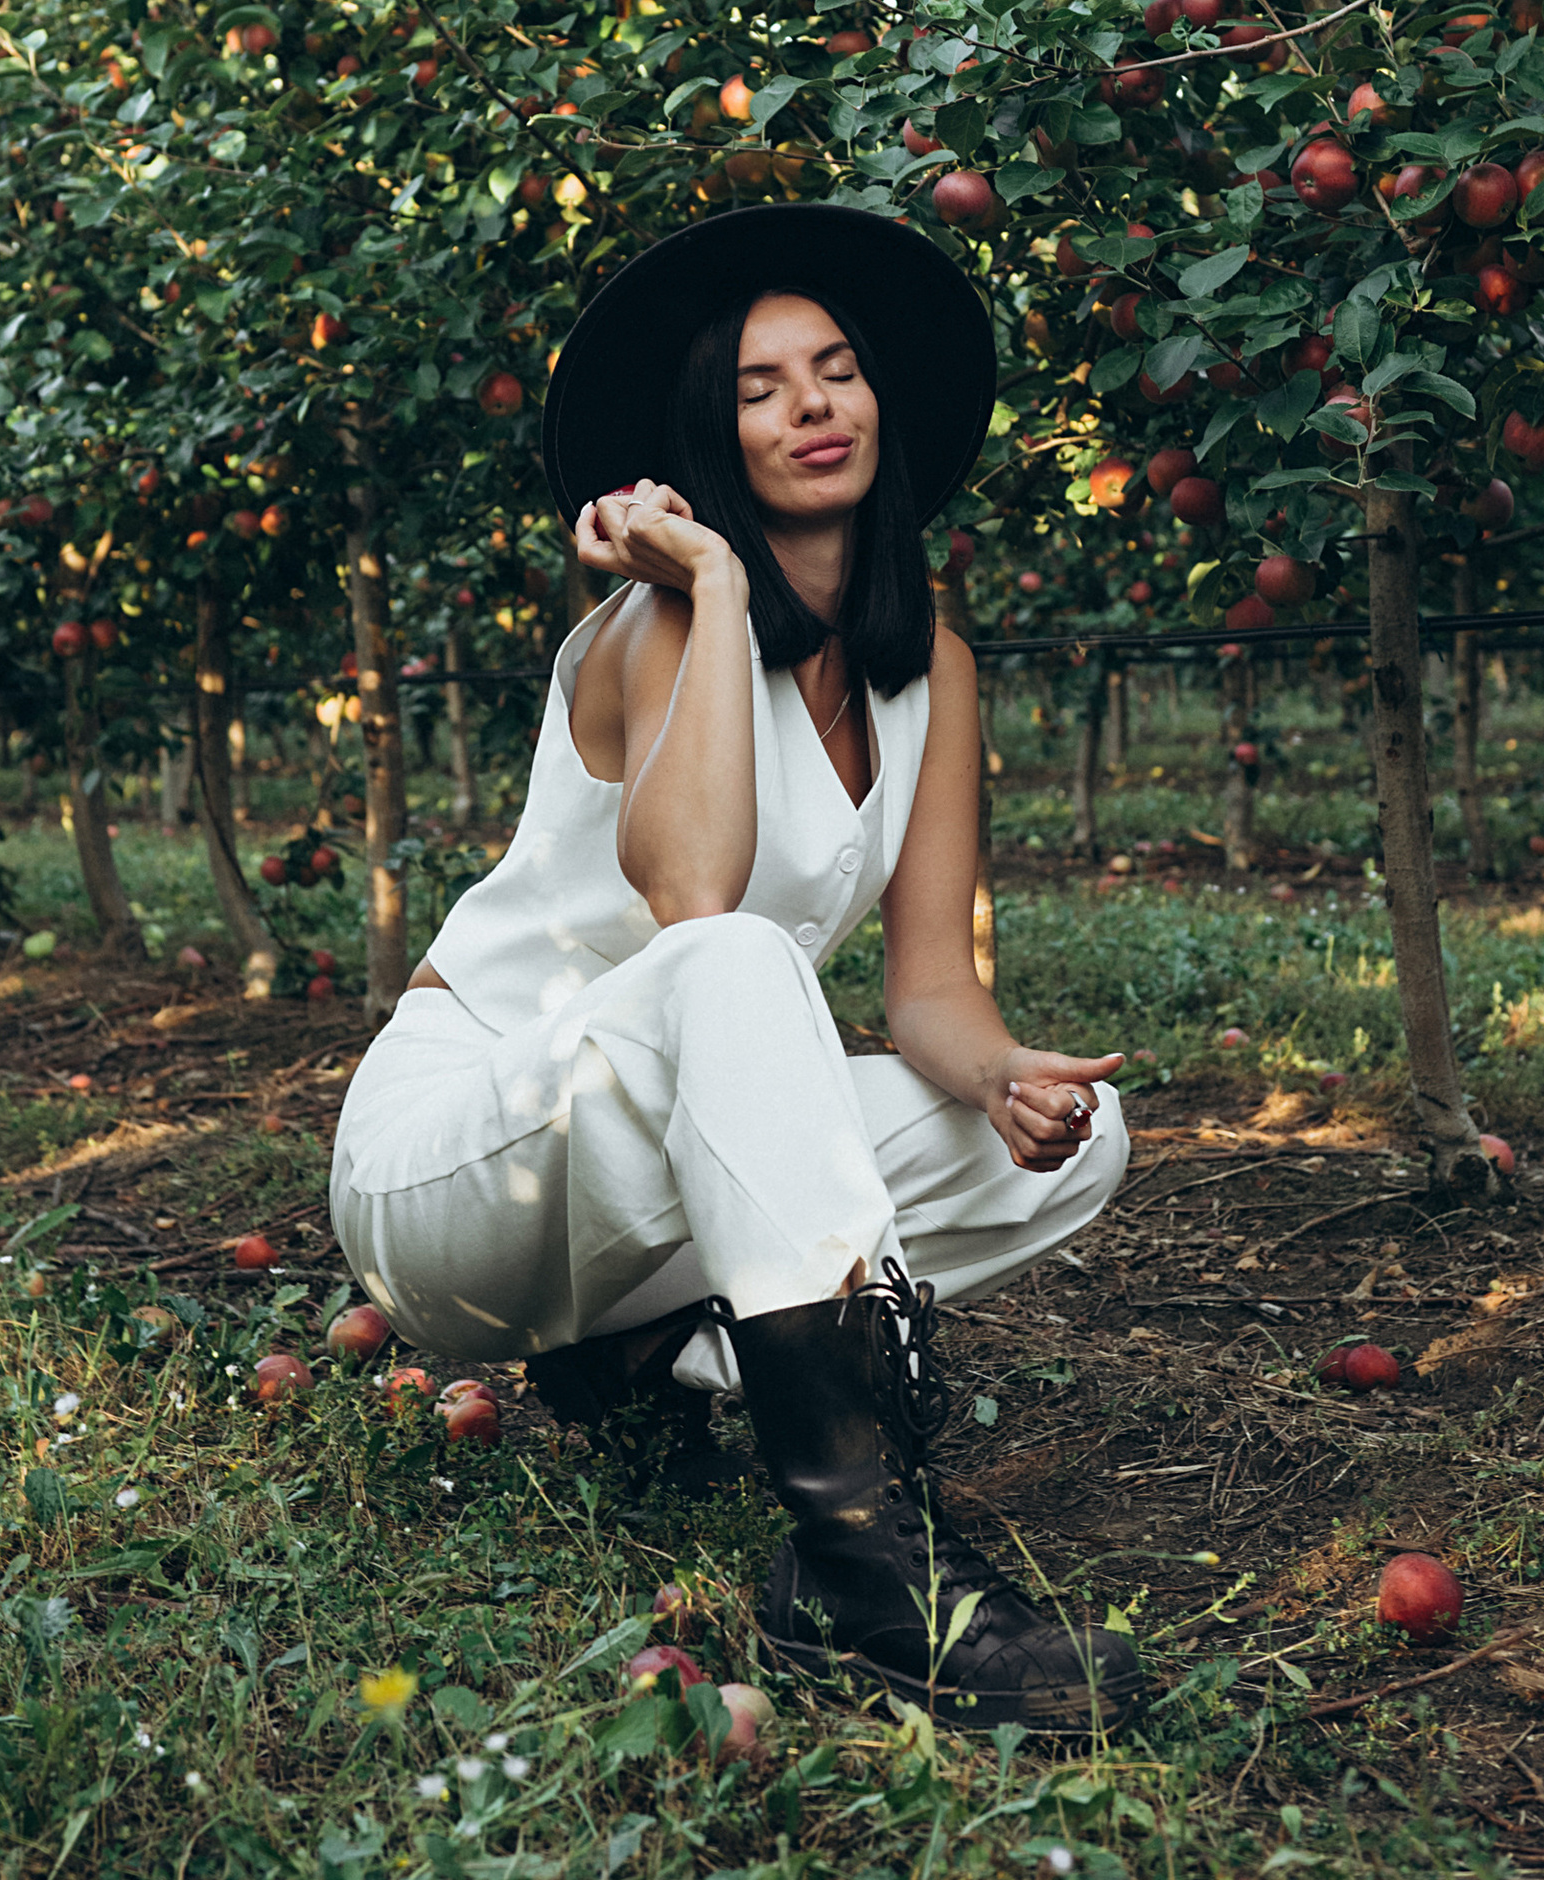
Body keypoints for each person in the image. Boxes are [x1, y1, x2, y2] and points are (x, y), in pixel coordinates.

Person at [328, 206, 1136, 1735]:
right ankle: (864, 1574)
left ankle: (635, 1362)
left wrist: (1006, 1078)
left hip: (629, 1185)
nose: (813, 406)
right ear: (712, 428)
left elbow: (929, 991)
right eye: (762, 387)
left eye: (835, 371)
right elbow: (692, 896)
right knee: (738, 959)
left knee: (1066, 1156)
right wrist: (706, 578)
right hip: (459, 1165)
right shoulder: (654, 625)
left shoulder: (928, 665)